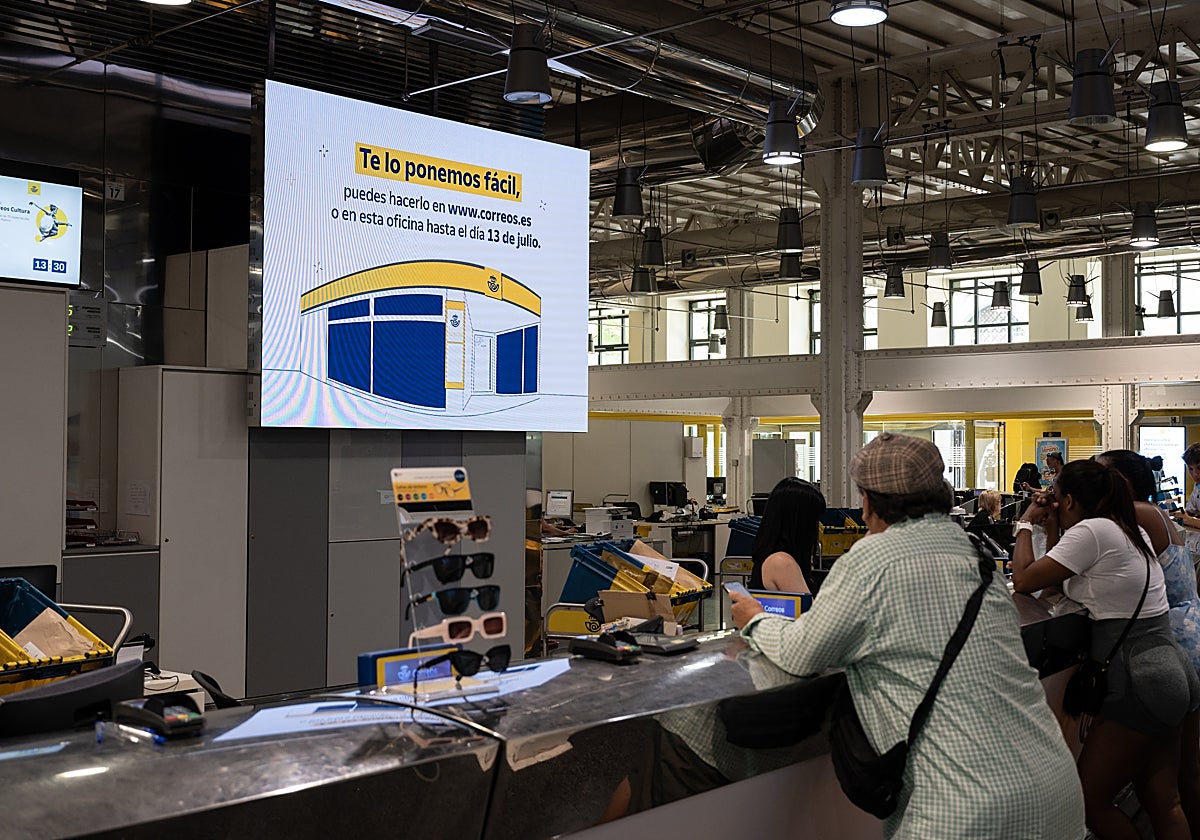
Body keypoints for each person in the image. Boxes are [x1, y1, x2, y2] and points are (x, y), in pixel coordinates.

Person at [731, 433, 1085, 839]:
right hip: (1054, 784)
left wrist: (756, 618)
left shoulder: (870, 561)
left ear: (867, 501)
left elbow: (801, 653)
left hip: (963, 808)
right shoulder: (975, 556)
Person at [1012, 459, 1199, 840]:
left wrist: (1025, 523)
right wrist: (1051, 526)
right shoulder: (1125, 528)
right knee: (1163, 799)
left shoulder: (1093, 532)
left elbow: (1025, 581)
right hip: (1169, 668)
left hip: (1138, 679)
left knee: (1089, 802)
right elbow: (1054, 584)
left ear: (1067, 501)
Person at [1097, 449, 1200, 834]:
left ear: (1121, 482)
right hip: (1187, 637)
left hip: (1170, 642)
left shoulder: (1134, 514)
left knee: (1175, 778)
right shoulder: (1152, 512)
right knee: (1184, 772)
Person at [748, 477, 825, 594]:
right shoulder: (781, 563)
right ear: (800, 522)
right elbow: (811, 610)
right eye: (814, 519)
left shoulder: (772, 556)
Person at [1180, 443, 1200, 530]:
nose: (1195, 474)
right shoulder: (1197, 486)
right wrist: (1182, 515)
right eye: (1190, 469)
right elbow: (1191, 510)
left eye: (1199, 468)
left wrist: (1188, 520)